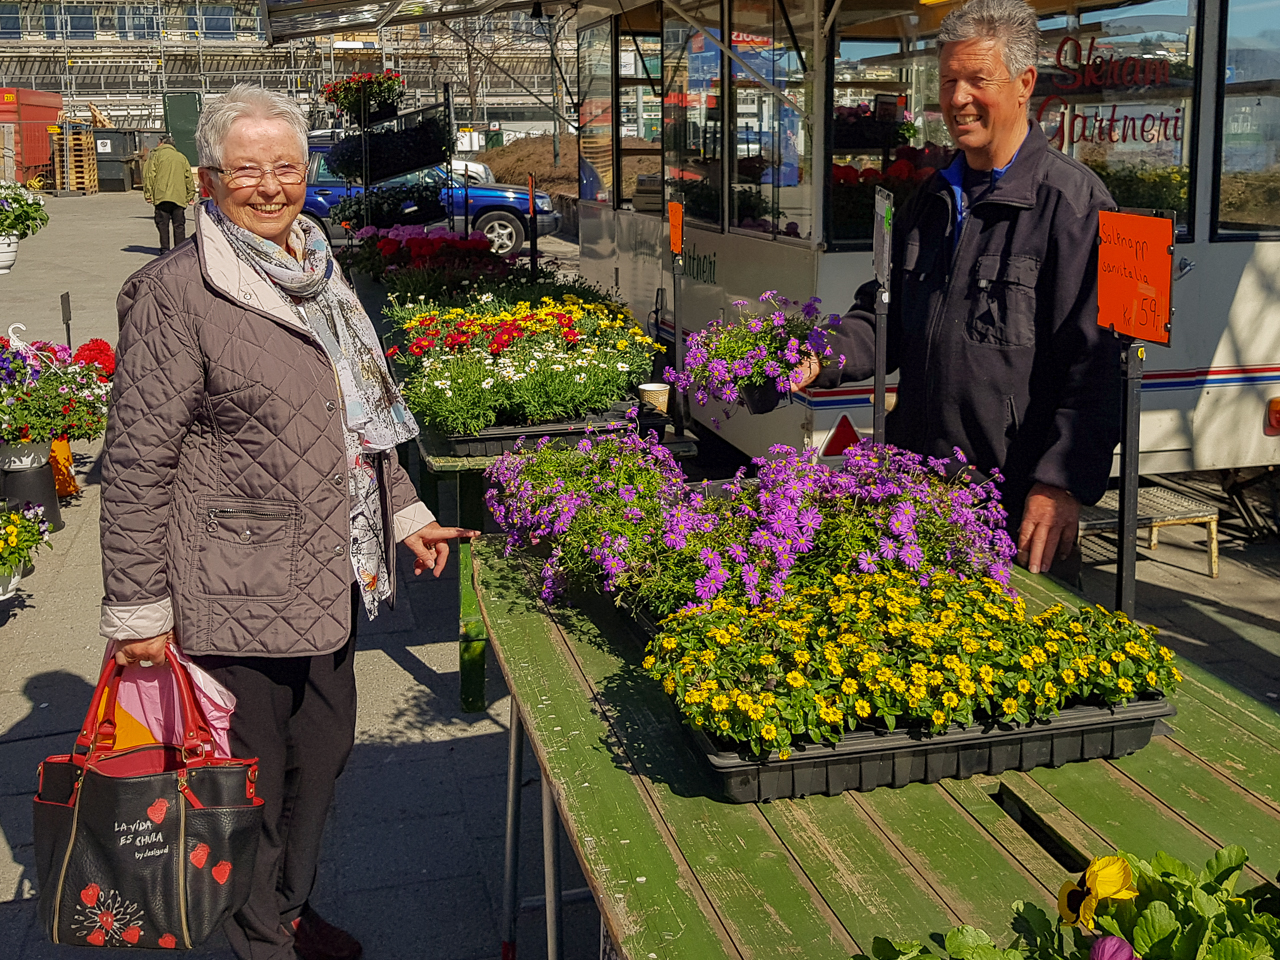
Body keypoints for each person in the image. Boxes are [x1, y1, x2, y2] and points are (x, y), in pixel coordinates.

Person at [99, 84, 480, 960]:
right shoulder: (176, 290)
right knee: (253, 785)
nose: (270, 186)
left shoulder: (318, 265)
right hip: (233, 583)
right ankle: (265, 935)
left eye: (286, 168)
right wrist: (138, 609)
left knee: (326, 757)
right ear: (206, 179)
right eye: (246, 170)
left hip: (331, 575)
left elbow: (356, 420)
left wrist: (406, 510)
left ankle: (288, 908)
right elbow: (137, 461)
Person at [795, 0, 1122, 577]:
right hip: (915, 487)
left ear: (1024, 84)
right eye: (949, 80)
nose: (957, 98)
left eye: (977, 79)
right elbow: (885, 313)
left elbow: (1097, 366)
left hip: (1013, 505)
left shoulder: (1076, 206)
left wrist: (1060, 482)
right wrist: (819, 354)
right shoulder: (932, 197)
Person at [142, 134, 196, 253]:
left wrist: (148, 194)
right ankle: (179, 251)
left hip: (161, 196)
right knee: (179, 225)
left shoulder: (155, 156)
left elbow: (149, 176)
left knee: (162, 224)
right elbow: (188, 177)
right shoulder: (181, 157)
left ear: (161, 143)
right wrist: (190, 195)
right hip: (179, 196)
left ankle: (165, 250)